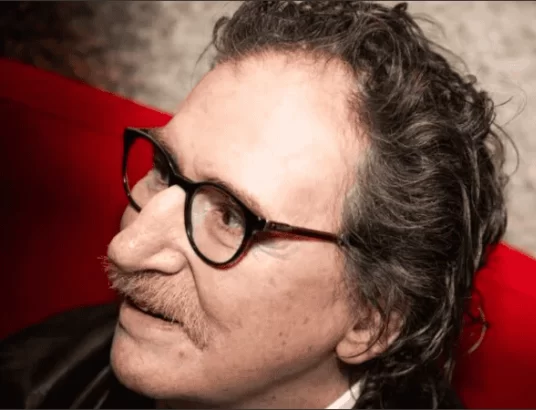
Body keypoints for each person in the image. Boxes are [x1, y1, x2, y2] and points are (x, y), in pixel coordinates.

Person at [0, 1, 508, 408]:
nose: (126, 248)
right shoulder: (33, 378)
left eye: (230, 216)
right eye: (162, 170)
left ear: (369, 322)